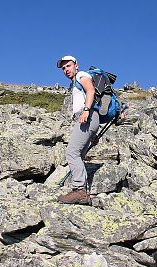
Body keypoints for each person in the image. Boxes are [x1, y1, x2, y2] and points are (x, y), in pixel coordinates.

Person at [56, 55, 99, 205]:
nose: (65, 70)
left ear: (76, 65)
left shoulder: (82, 75)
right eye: (63, 68)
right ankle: (82, 191)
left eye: (68, 66)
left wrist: (86, 110)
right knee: (78, 154)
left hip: (88, 116)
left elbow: (91, 91)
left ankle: (80, 191)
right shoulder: (74, 83)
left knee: (71, 152)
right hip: (88, 119)